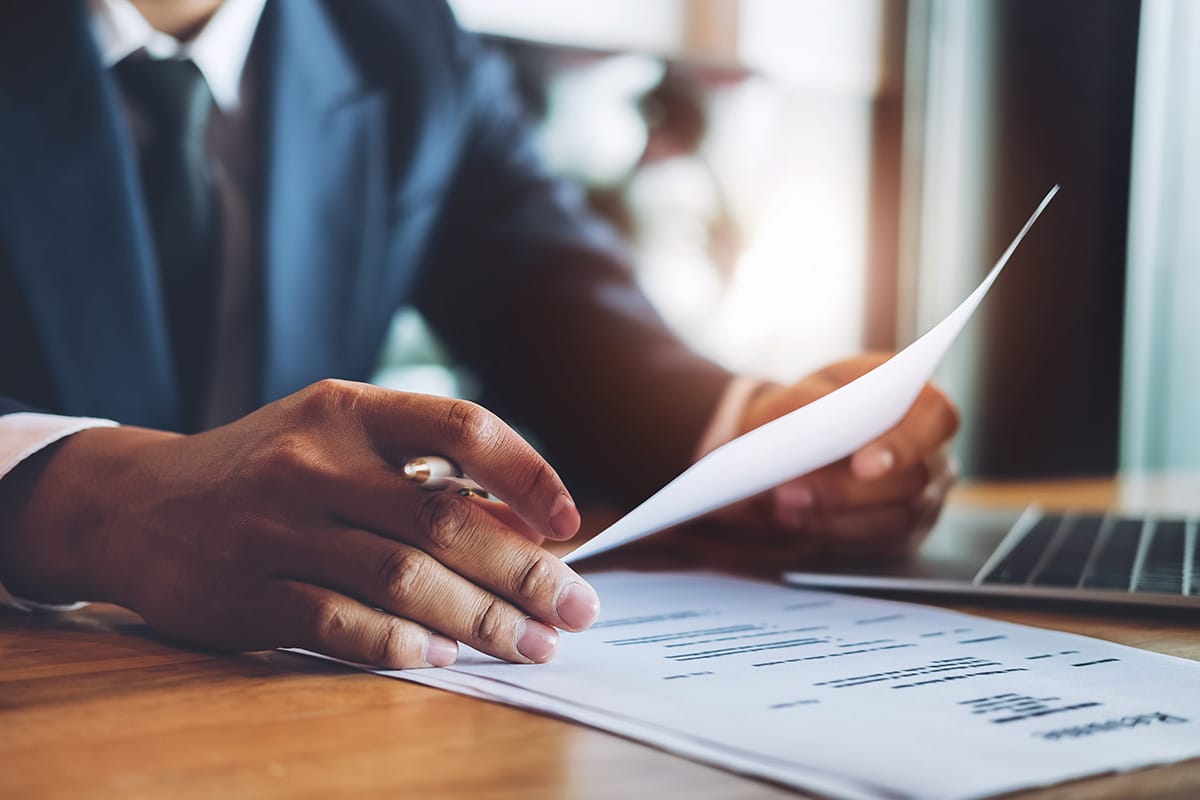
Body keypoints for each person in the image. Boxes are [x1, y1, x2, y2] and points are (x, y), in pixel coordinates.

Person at [0, 0, 958, 670]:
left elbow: (543, 285)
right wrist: (95, 504)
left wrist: (762, 439)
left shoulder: (398, 34)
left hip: (287, 696)